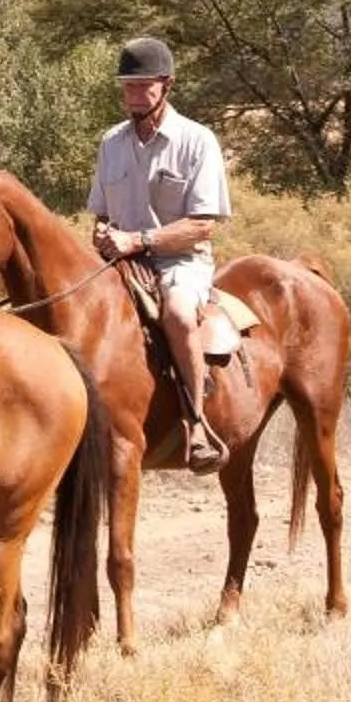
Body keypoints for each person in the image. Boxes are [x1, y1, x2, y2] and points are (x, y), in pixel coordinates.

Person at [88, 36, 232, 473]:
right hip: (120, 262)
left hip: (180, 261)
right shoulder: (111, 142)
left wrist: (140, 240)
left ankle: (198, 423)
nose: (131, 95)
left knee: (179, 314)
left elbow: (202, 224)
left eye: (141, 86)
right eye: (126, 87)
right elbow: (99, 214)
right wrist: (104, 235)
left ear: (166, 85)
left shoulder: (196, 140)